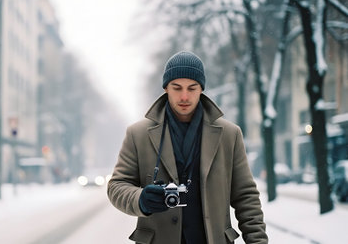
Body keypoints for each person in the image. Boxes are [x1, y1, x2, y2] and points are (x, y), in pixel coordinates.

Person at [107, 51, 268, 244]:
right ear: (166, 88)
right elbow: (116, 186)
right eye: (177, 88)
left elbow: (246, 196)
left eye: (192, 88)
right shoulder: (138, 134)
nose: (184, 96)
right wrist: (140, 199)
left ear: (202, 89)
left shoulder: (229, 134)